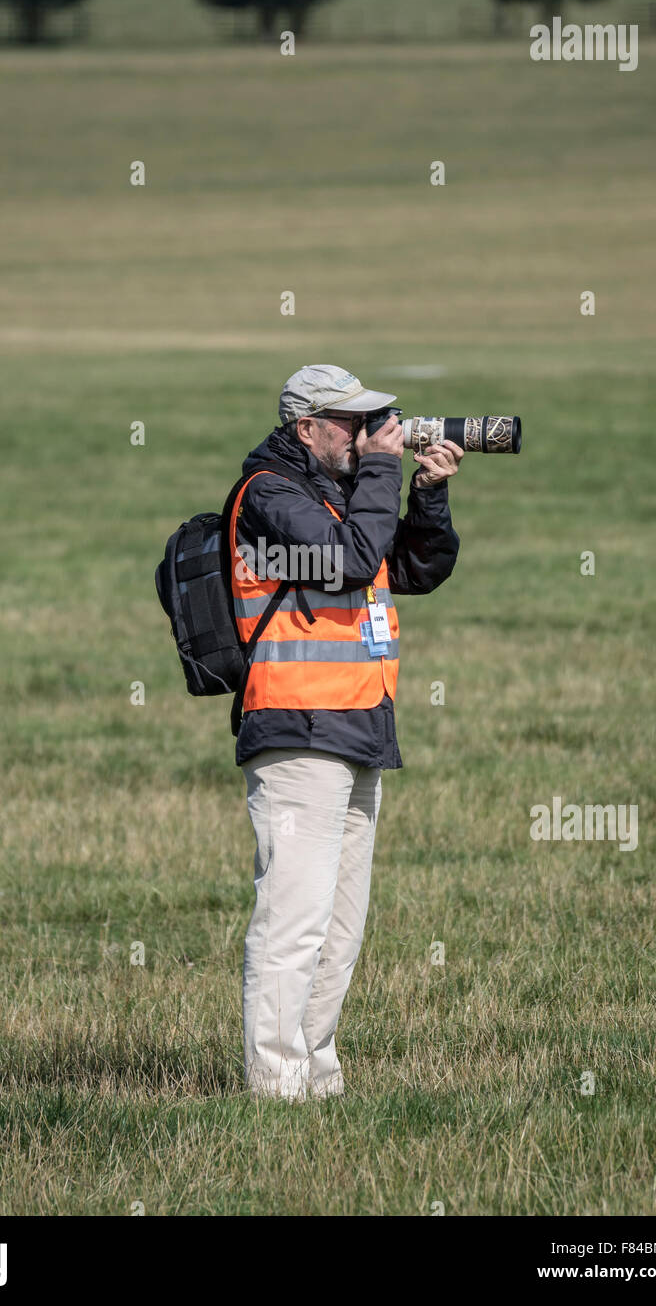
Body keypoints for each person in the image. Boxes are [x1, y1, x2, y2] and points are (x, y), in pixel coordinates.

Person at [230, 364, 463, 1100]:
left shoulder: (339, 491)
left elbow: (414, 569)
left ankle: (316, 1078)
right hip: (297, 728)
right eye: (352, 422)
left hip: (359, 725)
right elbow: (350, 561)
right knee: (294, 920)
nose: (368, 432)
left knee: (340, 927)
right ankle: (275, 1086)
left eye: (373, 421)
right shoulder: (268, 495)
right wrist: (384, 471)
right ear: (307, 428)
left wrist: (427, 493)